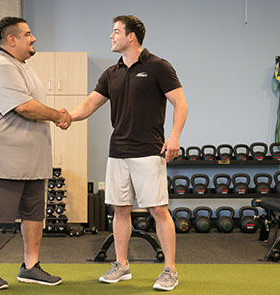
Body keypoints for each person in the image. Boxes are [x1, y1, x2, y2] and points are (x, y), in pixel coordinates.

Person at [69, 15, 188, 291]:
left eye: (115, 32)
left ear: (131, 36)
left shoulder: (159, 67)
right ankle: (121, 265)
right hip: (118, 151)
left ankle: (170, 270)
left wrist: (174, 136)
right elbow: (88, 105)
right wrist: (63, 117)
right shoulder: (111, 73)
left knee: (158, 209)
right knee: (120, 209)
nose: (111, 37)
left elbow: (180, 104)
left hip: (148, 150)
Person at [0, 16, 70, 290]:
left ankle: (30, 266)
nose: (33, 38)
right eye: (27, 34)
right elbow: (25, 107)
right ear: (11, 39)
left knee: (34, 213)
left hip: (30, 159)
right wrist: (59, 116)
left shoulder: (21, 66)